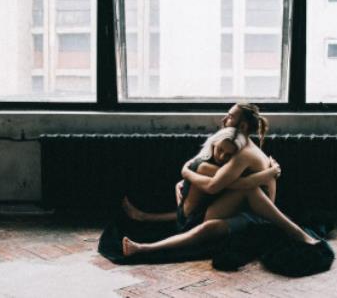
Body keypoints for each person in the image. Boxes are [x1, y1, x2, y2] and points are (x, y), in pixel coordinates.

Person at [122, 103, 319, 256]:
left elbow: (216, 186)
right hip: (240, 205)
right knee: (205, 173)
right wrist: (269, 172)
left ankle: (296, 232)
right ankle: (147, 218)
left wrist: (186, 173)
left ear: (242, 125)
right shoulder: (233, 143)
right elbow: (215, 174)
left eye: (230, 116)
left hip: (256, 214)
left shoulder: (243, 153)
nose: (224, 119)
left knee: (234, 194)